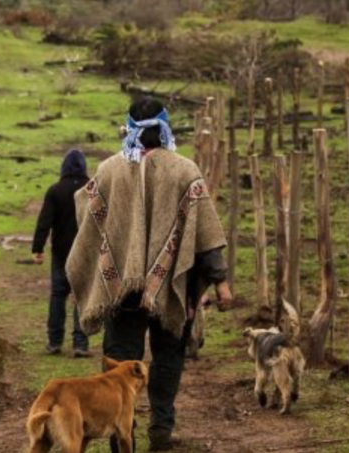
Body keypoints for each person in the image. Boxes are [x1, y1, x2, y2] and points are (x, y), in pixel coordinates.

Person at [65, 98, 233, 452]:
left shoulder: (109, 170)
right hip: (171, 288)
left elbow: (88, 214)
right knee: (168, 355)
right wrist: (221, 283)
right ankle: (161, 426)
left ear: (129, 127)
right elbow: (206, 236)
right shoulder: (185, 170)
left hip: (121, 290)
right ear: (165, 127)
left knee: (119, 363)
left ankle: (119, 434)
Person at [32, 149, 91, 358]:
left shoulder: (55, 190)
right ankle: (80, 344)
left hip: (61, 252)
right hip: (86, 252)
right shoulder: (92, 189)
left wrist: (37, 249)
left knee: (58, 295)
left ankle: (54, 341)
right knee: (82, 296)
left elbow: (44, 222)